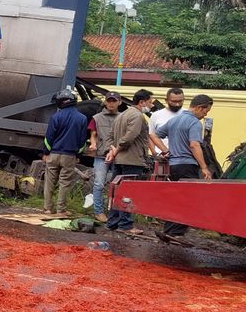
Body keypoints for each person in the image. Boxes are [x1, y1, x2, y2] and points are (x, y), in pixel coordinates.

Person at [153, 94, 215, 244]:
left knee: (176, 198)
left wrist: (164, 150)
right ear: (200, 107)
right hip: (187, 165)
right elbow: (194, 145)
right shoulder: (194, 123)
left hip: (173, 165)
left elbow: (153, 134)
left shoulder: (174, 120)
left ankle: (168, 230)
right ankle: (176, 233)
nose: (205, 114)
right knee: (189, 199)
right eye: (205, 111)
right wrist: (204, 167)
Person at [105, 89, 163, 235]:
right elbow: (130, 137)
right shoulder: (137, 116)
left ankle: (113, 223)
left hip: (119, 160)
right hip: (132, 160)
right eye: (150, 102)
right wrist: (116, 150)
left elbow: (110, 136)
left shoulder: (122, 115)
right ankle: (126, 225)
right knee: (129, 193)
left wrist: (112, 151)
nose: (151, 105)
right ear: (141, 102)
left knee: (117, 192)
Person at [41, 89, 89, 217]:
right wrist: (78, 155)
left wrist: (46, 153)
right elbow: (82, 141)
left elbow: (49, 137)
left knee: (50, 181)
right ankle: (61, 210)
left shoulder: (56, 117)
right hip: (70, 156)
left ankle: (47, 208)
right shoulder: (82, 118)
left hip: (54, 154)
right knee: (64, 183)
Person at [88, 92, 122, 223]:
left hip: (119, 155)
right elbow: (93, 134)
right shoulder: (97, 118)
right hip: (101, 155)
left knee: (118, 185)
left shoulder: (123, 117)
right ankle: (98, 212)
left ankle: (115, 212)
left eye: (114, 101)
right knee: (99, 183)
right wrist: (93, 144)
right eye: (109, 101)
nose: (111, 103)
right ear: (105, 102)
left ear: (120, 102)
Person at [149, 87, 186, 153]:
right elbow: (151, 136)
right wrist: (155, 154)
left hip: (182, 157)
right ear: (166, 100)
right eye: (174, 101)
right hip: (162, 157)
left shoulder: (188, 114)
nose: (177, 104)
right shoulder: (156, 115)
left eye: (180, 101)